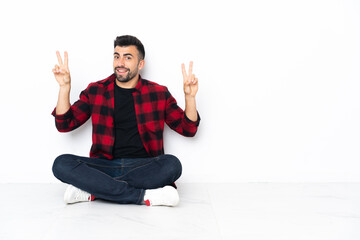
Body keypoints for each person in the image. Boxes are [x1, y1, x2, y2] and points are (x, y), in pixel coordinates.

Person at [51, 35, 200, 207]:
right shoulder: (96, 90)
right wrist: (64, 88)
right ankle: (142, 196)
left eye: (128, 57)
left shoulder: (158, 92)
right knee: (61, 163)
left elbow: (188, 130)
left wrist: (190, 98)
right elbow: (64, 125)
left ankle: (95, 190)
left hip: (144, 166)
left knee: (172, 165)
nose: (120, 63)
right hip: (104, 165)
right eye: (117, 56)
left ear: (140, 64)